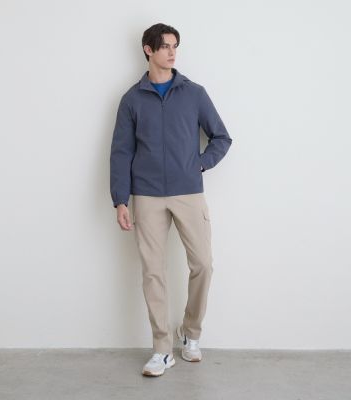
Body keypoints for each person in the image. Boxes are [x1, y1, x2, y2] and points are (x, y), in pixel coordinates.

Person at [109, 22, 232, 377]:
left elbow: (221, 137)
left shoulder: (194, 93)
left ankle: (191, 333)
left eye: (175, 45)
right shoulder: (132, 99)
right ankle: (162, 349)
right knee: (153, 272)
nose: (172, 52)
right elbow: (121, 152)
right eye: (165, 46)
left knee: (203, 264)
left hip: (188, 192)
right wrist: (120, 199)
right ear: (148, 50)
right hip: (146, 196)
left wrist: (200, 163)